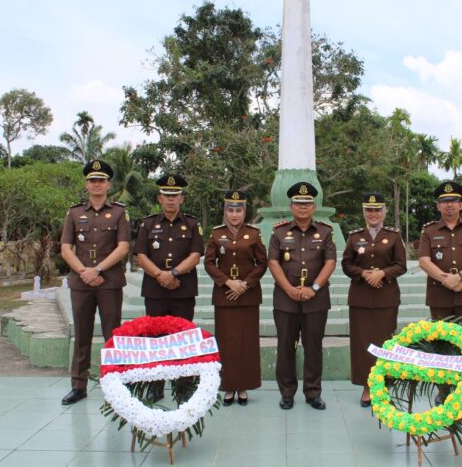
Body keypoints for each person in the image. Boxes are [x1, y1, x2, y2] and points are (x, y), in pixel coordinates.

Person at [59, 159, 130, 405]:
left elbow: (123, 248)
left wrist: (98, 269)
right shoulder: (74, 212)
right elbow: (66, 248)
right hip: (81, 283)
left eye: (101, 180)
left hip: (109, 282)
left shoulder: (120, 212)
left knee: (113, 335)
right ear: (86, 184)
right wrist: (83, 271)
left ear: (108, 184)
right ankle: (78, 385)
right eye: (92, 180)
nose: (97, 184)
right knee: (82, 334)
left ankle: (115, 385)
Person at [134, 174, 204, 402]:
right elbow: (141, 256)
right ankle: (156, 385)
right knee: (156, 339)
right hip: (155, 292)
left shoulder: (192, 224)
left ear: (182, 198)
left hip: (183, 291)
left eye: (175, 195)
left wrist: (173, 274)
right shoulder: (148, 224)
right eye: (166, 195)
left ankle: (183, 386)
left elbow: (195, 256)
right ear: (159, 198)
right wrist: (160, 275)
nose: (171, 199)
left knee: (183, 338)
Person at [268, 182, 336, 410]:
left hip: (315, 299)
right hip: (286, 299)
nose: (303, 207)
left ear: (314, 206)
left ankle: (313, 393)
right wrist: (288, 289)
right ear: (291, 206)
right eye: (298, 203)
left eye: (307, 203)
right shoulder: (279, 232)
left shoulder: (325, 232)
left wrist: (313, 288)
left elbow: (330, 262)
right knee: (286, 346)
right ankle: (286, 393)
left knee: (313, 346)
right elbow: (273, 262)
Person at [418, 181, 462, 405]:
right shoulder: (429, 230)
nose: (449, 205)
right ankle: (443, 389)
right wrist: (446, 280)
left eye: (454, 201)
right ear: (438, 206)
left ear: (461, 205)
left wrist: (460, 277)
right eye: (444, 201)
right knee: (441, 342)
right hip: (440, 294)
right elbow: (424, 260)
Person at [341, 193, 407, 407]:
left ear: (384, 212)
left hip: (386, 298)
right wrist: (364, 274)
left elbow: (401, 265)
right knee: (363, 345)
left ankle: (384, 386)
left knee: (385, 343)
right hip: (360, 298)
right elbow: (346, 264)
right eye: (369, 210)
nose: (373, 214)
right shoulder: (354, 237)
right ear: (364, 213)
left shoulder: (394, 236)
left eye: (377, 210)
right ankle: (367, 386)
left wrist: (383, 274)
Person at [204, 191, 267, 406]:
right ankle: (229, 386)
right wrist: (227, 282)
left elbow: (262, 263)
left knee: (246, 344)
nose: (234, 214)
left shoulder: (254, 234)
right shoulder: (216, 234)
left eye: (238, 210)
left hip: (248, 297)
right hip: (224, 297)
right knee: (227, 343)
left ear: (244, 211)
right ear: (225, 211)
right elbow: (209, 263)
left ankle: (244, 387)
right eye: (230, 210)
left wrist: (245, 284)